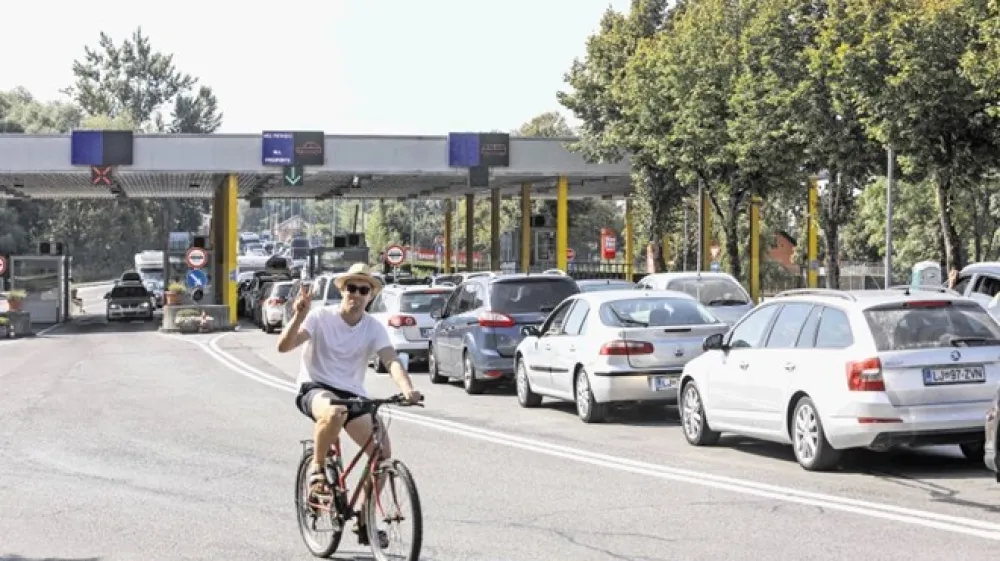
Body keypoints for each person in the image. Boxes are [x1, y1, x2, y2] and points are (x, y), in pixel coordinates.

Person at [276, 262, 422, 547]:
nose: (356, 294)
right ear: (342, 290)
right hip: (315, 387)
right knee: (333, 411)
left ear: (370, 296)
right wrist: (298, 316)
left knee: (382, 453)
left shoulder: (373, 327)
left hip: (353, 393)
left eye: (363, 289)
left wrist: (408, 389)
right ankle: (318, 470)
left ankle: (366, 521)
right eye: (351, 287)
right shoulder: (320, 317)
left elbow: (391, 360)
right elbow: (284, 346)